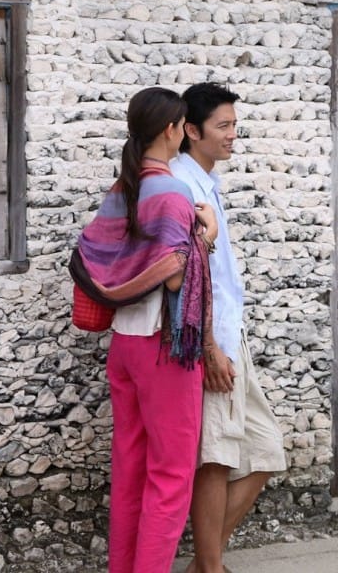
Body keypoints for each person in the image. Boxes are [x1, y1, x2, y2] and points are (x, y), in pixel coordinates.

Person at [72, 87, 219, 573]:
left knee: (131, 471)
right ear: (173, 130)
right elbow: (175, 273)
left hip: (124, 346)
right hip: (165, 349)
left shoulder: (121, 190)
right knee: (171, 477)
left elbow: (97, 254)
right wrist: (207, 237)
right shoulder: (173, 192)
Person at [169, 83, 287, 573]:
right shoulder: (182, 186)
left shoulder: (206, 182)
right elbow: (190, 279)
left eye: (235, 125)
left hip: (228, 336)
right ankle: (211, 567)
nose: (233, 135)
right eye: (224, 126)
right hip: (209, 341)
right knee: (215, 459)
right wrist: (212, 350)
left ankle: (205, 564)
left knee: (265, 449)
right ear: (191, 131)